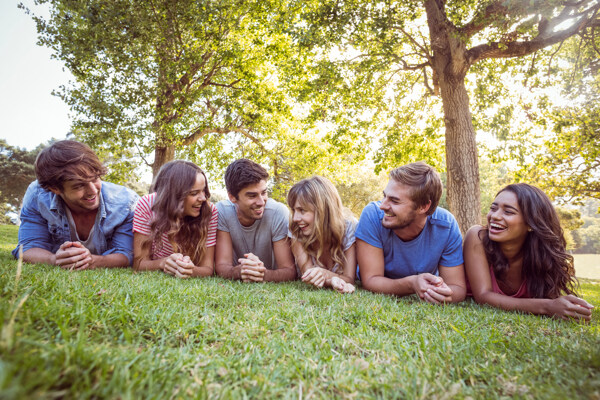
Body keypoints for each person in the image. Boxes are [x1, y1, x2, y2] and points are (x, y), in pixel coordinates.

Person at [463, 183, 593, 320]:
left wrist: (565, 306)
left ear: (531, 223)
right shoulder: (477, 236)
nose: (495, 216)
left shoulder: (541, 256)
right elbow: (483, 296)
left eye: (508, 212)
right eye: (493, 208)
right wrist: (547, 307)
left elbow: (546, 297)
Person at [13, 140, 139, 269]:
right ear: (54, 188)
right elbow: (28, 246)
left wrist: (93, 261)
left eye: (95, 178)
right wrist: (54, 259)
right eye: (79, 185)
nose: (93, 191)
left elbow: (126, 253)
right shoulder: (38, 195)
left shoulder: (126, 202)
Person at [355, 161, 466, 303]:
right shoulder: (372, 215)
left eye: (394, 201)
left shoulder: (446, 226)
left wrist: (441, 293)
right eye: (385, 196)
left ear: (423, 206)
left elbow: (457, 287)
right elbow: (371, 280)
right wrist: (412, 283)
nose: (383, 206)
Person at [132, 160, 217, 278]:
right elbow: (139, 263)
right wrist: (162, 263)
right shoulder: (147, 205)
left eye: (203, 190)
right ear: (175, 195)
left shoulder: (209, 212)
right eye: (194, 193)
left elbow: (207, 269)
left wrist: (191, 270)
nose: (203, 198)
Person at [215, 159, 295, 282]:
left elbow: (289, 270)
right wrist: (240, 270)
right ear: (232, 197)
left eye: (264, 193)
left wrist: (262, 274)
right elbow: (221, 266)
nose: (261, 202)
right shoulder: (223, 211)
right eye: (252, 196)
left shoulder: (278, 212)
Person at [287, 176, 356, 293]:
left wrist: (326, 275)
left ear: (323, 210)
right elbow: (309, 275)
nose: (295, 218)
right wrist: (330, 279)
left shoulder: (349, 227)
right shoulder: (296, 229)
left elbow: (349, 279)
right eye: (294, 210)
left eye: (302, 210)